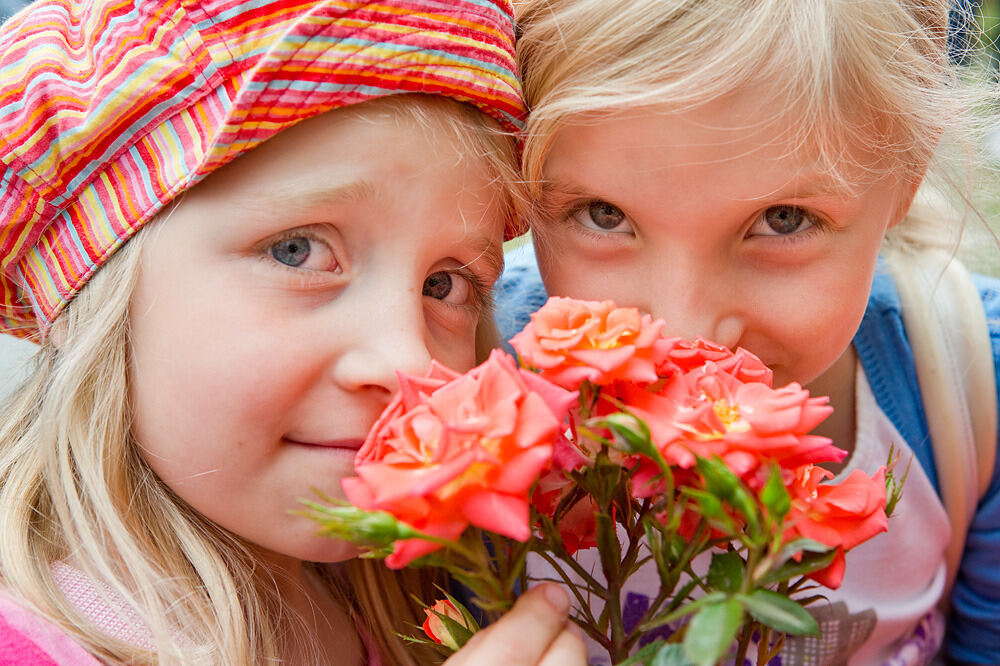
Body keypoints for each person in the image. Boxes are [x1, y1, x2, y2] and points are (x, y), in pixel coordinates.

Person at [0, 0, 587, 664]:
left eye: (444, 285)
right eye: (298, 251)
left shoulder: (398, 609)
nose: (407, 363)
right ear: (85, 287)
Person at [495, 0, 1000, 664]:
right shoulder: (474, 401)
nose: (683, 331)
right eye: (603, 214)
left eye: (784, 219)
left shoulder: (970, 389)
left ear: (904, 176)